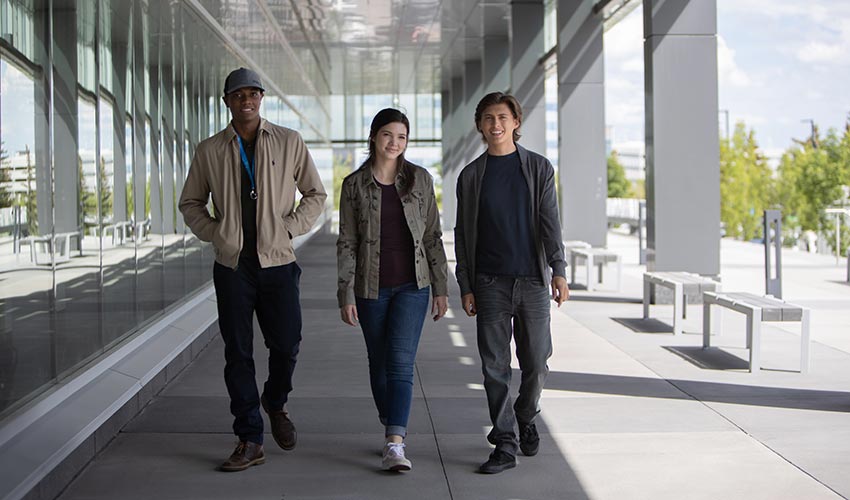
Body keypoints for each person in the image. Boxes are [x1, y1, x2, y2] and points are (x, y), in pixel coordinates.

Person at [178, 67, 327, 472]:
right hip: (232, 267)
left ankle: (275, 402)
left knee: (287, 343)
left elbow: (315, 193)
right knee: (237, 352)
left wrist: (289, 228)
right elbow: (190, 202)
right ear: (227, 101)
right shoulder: (209, 149)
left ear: (261, 99)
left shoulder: (288, 141)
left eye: (253, 93)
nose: (246, 100)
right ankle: (249, 437)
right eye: (238, 94)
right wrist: (215, 234)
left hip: (278, 263)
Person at [454, 92, 569, 474]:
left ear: (516, 122)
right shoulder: (471, 176)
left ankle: (526, 414)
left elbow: (550, 222)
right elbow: (462, 233)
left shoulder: (537, 167)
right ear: (480, 125)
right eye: (488, 118)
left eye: (502, 117)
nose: (495, 124)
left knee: (536, 361)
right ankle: (504, 441)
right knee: (494, 367)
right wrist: (466, 283)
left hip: (533, 281)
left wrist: (559, 268)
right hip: (489, 283)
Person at [337, 108, 449, 472]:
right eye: (388, 135)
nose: (394, 143)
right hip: (371, 288)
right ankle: (391, 417)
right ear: (374, 137)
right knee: (378, 362)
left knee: (400, 362)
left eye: (401, 137)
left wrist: (441, 286)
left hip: (413, 287)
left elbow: (432, 235)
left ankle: (394, 442)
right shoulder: (354, 186)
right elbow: (347, 242)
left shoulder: (420, 179)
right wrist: (345, 293)